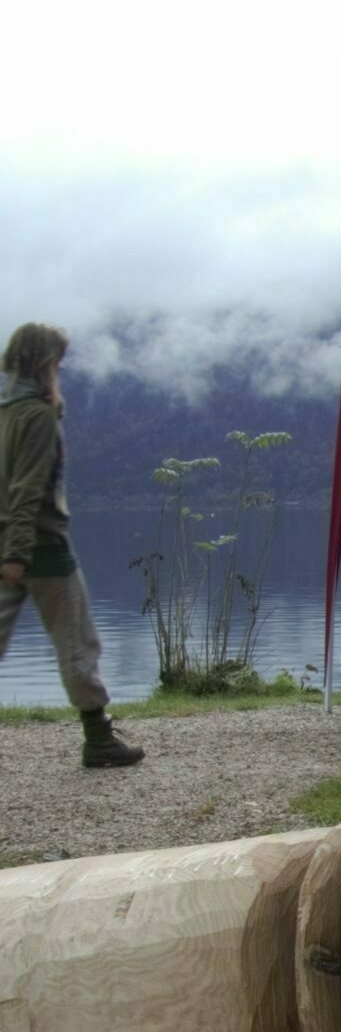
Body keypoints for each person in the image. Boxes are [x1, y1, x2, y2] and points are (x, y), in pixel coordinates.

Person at [0, 324, 143, 768]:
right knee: (79, 645)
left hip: (10, 545)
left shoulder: (4, 411)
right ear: (45, 364)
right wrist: (17, 554)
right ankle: (98, 739)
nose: (61, 369)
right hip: (40, 550)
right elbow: (27, 488)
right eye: (58, 361)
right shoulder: (37, 416)